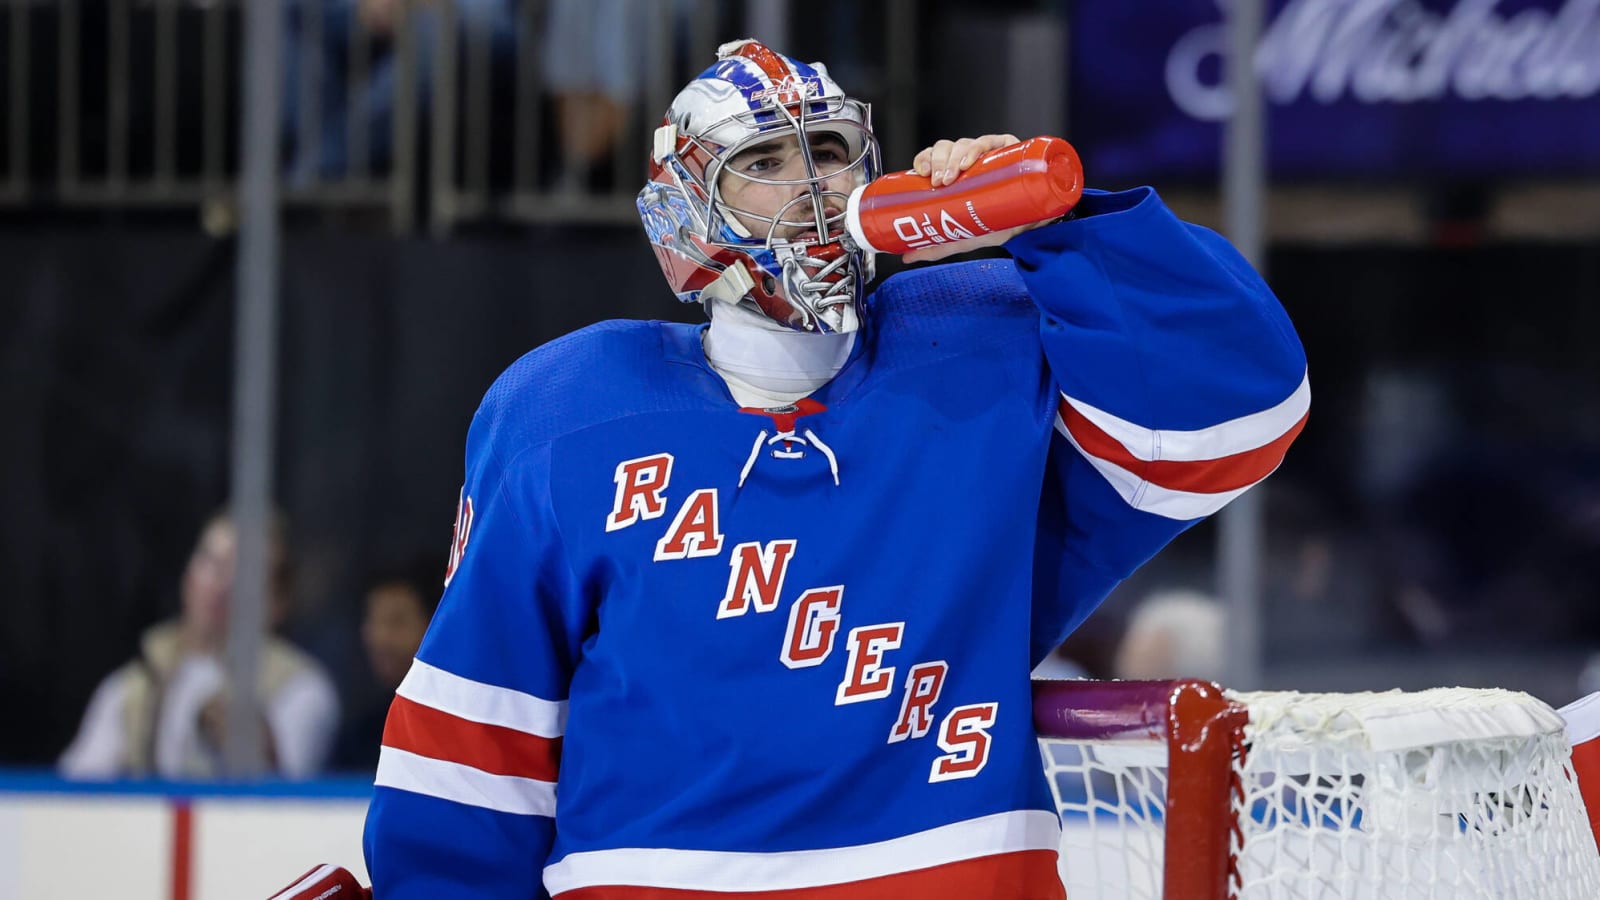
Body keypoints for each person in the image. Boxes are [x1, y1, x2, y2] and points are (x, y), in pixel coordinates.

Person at [360, 39, 1309, 898]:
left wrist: (1057, 228)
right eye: (763, 164)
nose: (811, 187)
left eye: (828, 151)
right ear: (684, 212)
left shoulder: (981, 348)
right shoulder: (566, 411)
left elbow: (1241, 411)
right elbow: (475, 750)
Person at [58, 512, 340, 780]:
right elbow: (73, 795)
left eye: (245, 572)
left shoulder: (300, 689)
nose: (223, 584)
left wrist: (266, 758)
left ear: (277, 602)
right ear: (187, 576)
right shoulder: (132, 687)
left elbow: (299, 810)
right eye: (213, 563)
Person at [329, 558, 441, 771]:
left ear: (432, 627)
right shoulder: (360, 737)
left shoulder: (456, 726)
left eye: (397, 622)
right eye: (374, 621)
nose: (381, 638)